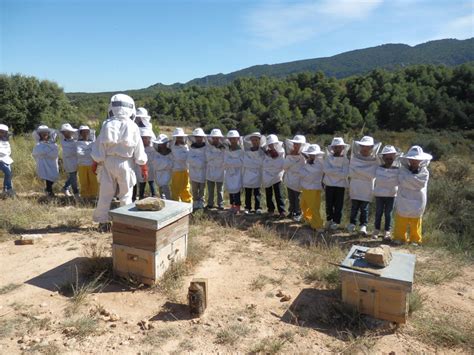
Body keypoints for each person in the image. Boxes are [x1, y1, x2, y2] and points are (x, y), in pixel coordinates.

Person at [91, 94, 148, 231]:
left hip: (108, 163)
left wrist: (95, 163)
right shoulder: (133, 126)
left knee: (105, 194)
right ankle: (124, 224)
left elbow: (99, 147)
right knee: (126, 195)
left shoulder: (107, 125)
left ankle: (103, 223)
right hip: (126, 163)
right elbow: (139, 149)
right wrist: (143, 166)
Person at [393, 146, 432, 245]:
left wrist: (408, 180)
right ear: (408, 159)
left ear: (421, 160)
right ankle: (399, 238)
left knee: (416, 220)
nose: (414, 161)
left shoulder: (425, 172)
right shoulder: (402, 170)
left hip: (418, 200)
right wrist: (412, 181)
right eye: (412, 159)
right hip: (403, 198)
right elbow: (402, 181)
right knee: (401, 219)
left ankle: (415, 239)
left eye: (417, 160)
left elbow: (420, 184)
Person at [347, 136, 381, 235]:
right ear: (360, 146)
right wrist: (365, 172)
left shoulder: (375, 160)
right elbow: (351, 172)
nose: (365, 148)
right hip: (355, 186)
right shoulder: (354, 157)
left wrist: (359, 171)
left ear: (371, 147)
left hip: (367, 187)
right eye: (363, 146)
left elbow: (372, 174)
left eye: (368, 146)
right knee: (354, 207)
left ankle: (363, 226)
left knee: (364, 208)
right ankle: (352, 224)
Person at [373, 145, 400, 240]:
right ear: (383, 157)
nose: (389, 159)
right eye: (387, 156)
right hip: (379, 194)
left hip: (392, 195)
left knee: (388, 214)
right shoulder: (379, 168)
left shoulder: (398, 170)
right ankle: (376, 229)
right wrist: (389, 180)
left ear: (394, 157)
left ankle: (387, 232)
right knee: (378, 212)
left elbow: (396, 181)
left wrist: (387, 180)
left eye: (391, 156)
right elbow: (380, 180)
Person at [323, 137, 350, 231]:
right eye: (336, 147)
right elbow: (325, 170)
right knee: (329, 204)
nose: (337, 149)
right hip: (329, 184)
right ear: (332, 148)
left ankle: (336, 222)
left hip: (341, 185)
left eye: (339, 147)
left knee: (338, 205)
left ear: (343, 148)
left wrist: (332, 171)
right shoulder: (328, 158)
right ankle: (329, 219)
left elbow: (345, 174)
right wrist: (338, 171)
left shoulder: (346, 160)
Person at [300, 144, 325, 230]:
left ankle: (318, 225)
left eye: (313, 154)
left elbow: (307, 175)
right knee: (304, 205)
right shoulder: (309, 162)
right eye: (310, 154)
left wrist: (304, 172)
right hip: (306, 188)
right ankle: (309, 220)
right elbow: (302, 172)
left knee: (313, 207)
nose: (311, 156)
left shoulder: (319, 165)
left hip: (313, 189)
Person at [284, 135, 307, 221]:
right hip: (290, 178)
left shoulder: (305, 157)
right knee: (291, 196)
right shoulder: (289, 155)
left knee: (298, 197)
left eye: (298, 144)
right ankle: (292, 211)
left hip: (299, 179)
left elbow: (304, 168)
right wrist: (290, 158)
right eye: (295, 144)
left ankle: (298, 213)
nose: (296, 146)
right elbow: (284, 166)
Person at [262, 134, 286, 218]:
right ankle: (270, 210)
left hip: (277, 175)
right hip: (267, 175)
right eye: (270, 144)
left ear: (276, 143)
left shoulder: (281, 152)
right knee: (268, 194)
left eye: (272, 144)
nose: (271, 146)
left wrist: (271, 165)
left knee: (278, 193)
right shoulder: (266, 153)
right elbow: (265, 164)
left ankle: (282, 211)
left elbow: (280, 164)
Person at [242, 132, 266, 215]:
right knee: (248, 192)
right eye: (253, 140)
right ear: (250, 141)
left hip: (258, 174)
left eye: (256, 140)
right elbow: (245, 162)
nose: (254, 142)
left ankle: (257, 207)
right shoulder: (247, 151)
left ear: (259, 141)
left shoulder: (263, 152)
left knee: (257, 192)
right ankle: (247, 207)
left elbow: (261, 163)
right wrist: (254, 163)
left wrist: (252, 162)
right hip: (248, 174)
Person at [32, 125, 59, 197]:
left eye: (46, 132)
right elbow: (35, 153)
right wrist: (46, 152)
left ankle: (48, 189)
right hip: (43, 163)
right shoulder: (38, 144)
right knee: (47, 177)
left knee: (53, 177)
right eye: (42, 133)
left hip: (52, 163)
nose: (44, 134)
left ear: (48, 133)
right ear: (39, 134)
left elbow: (55, 153)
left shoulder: (53, 144)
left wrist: (44, 153)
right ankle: (49, 191)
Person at [170, 128, 192, 203]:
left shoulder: (185, 146)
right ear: (175, 138)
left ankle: (187, 202)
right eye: (178, 137)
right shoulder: (173, 147)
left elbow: (188, 157)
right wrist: (186, 155)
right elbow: (180, 158)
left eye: (181, 137)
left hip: (185, 169)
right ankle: (175, 202)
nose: (179, 139)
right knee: (176, 188)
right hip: (177, 170)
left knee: (186, 187)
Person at [133, 127, 156, 200]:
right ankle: (140, 196)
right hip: (140, 168)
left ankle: (154, 195)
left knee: (151, 181)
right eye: (142, 138)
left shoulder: (152, 148)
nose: (144, 140)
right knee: (141, 183)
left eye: (146, 138)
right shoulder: (138, 148)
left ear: (149, 139)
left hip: (150, 167)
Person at [205, 128, 226, 210]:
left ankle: (220, 204)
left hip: (220, 170)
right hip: (210, 170)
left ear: (220, 138)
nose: (215, 139)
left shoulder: (223, 148)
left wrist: (213, 156)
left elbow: (222, 159)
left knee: (220, 189)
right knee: (210, 189)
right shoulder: (208, 147)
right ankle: (210, 203)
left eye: (217, 138)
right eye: (214, 137)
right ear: (211, 138)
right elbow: (208, 158)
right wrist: (216, 155)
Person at [224, 130, 243, 214]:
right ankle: (232, 205)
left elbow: (241, 162)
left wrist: (231, 161)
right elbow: (225, 161)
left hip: (238, 172)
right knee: (231, 189)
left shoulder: (241, 150)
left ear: (238, 139)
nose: (233, 140)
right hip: (229, 172)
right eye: (231, 139)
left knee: (237, 189)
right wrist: (233, 161)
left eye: (234, 139)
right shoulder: (227, 150)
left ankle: (238, 206)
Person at [187, 128, 207, 210]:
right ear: (195, 138)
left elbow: (206, 159)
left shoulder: (206, 147)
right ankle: (195, 202)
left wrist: (197, 160)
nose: (198, 138)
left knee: (202, 189)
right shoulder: (191, 147)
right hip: (194, 172)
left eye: (200, 137)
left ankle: (201, 202)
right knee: (194, 189)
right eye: (197, 137)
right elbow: (189, 159)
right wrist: (198, 161)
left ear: (202, 137)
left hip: (203, 172)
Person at [76, 125, 98, 198]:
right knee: (83, 182)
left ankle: (94, 196)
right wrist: (89, 152)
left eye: (86, 132)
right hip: (82, 165)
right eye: (83, 132)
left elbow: (94, 153)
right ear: (80, 133)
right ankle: (84, 197)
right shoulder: (77, 143)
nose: (85, 134)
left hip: (92, 165)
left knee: (93, 181)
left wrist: (85, 152)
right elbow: (79, 154)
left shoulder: (93, 143)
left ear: (89, 133)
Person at [59, 123, 79, 197]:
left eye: (68, 131)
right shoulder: (63, 141)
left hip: (76, 160)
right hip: (68, 161)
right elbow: (56, 132)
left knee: (73, 176)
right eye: (64, 132)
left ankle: (65, 188)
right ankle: (76, 192)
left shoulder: (75, 140)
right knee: (73, 177)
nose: (66, 133)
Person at [151, 134, 173, 199]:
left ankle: (169, 201)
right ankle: (164, 201)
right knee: (161, 188)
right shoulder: (156, 153)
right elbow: (156, 164)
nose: (162, 145)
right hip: (159, 174)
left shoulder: (170, 152)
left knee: (166, 188)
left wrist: (162, 163)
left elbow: (171, 163)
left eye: (164, 143)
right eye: (161, 144)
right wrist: (165, 163)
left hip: (168, 174)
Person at [0, 124, 14, 197]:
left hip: (6, 159)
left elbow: (9, 151)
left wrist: (4, 153)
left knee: (9, 174)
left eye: (3, 132)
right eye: (0, 132)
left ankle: (7, 190)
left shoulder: (6, 142)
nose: (2, 133)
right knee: (8, 173)